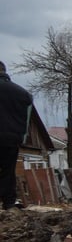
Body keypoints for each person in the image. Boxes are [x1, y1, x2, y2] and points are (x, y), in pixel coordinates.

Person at [0, 60, 35, 210]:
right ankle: (8, 203)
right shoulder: (23, 94)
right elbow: (26, 118)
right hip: (11, 138)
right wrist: (22, 137)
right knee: (8, 170)